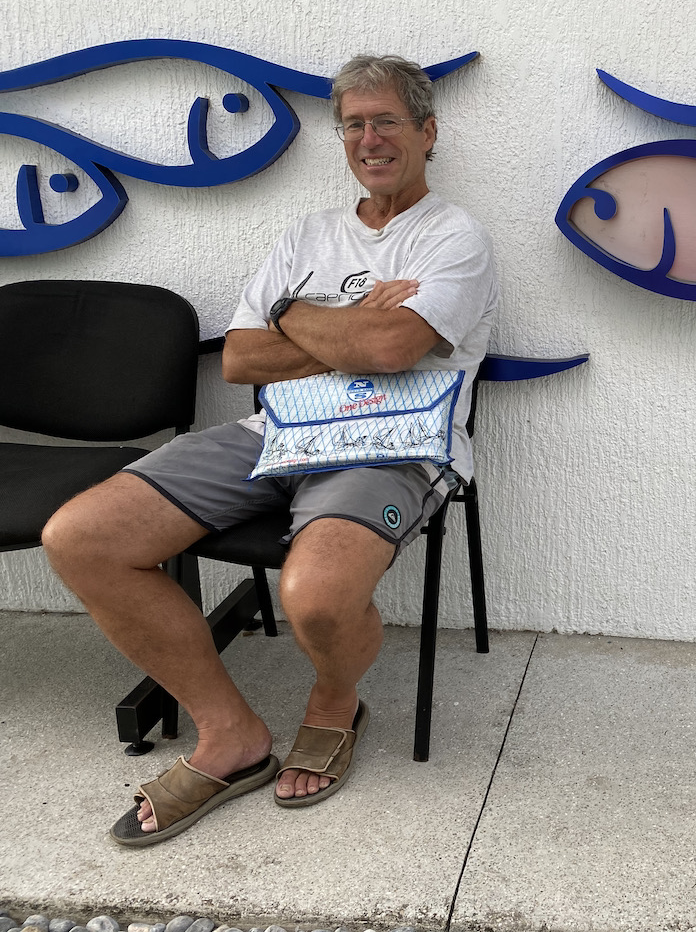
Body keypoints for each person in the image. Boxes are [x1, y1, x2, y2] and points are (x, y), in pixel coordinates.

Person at [41, 54, 499, 846]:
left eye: (386, 121)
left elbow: (392, 349)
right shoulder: (307, 236)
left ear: (428, 132)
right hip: (275, 431)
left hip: (393, 441)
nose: (368, 138)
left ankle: (334, 701)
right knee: (80, 537)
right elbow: (241, 361)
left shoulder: (453, 237)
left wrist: (294, 316)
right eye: (352, 125)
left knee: (313, 597)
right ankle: (232, 736)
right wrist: (337, 320)